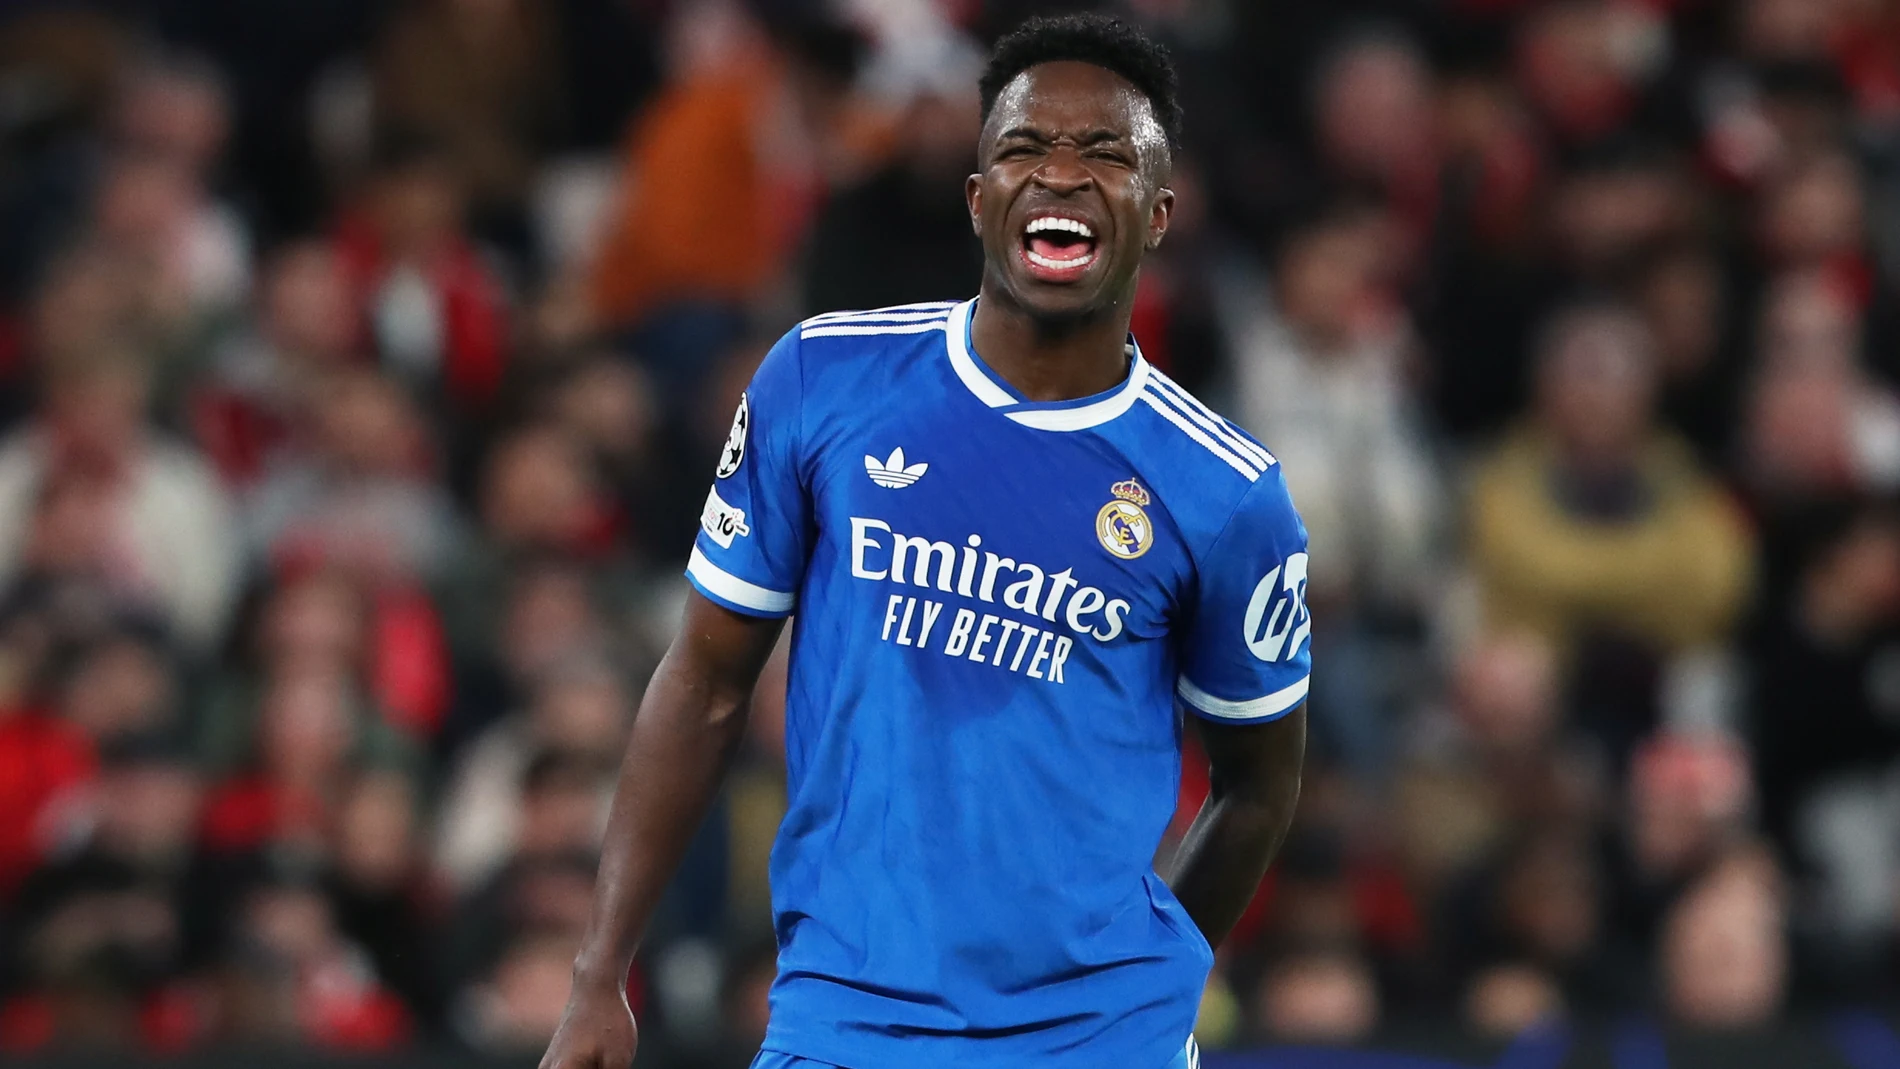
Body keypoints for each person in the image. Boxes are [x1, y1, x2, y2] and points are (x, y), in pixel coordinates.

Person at [540, 15, 1309, 1069]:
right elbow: (707, 682)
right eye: (1025, 149)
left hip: (1096, 1042)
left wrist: (1155, 986)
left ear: (1160, 212)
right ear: (978, 195)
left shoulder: (1224, 492)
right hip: (846, 1017)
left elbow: (1259, 777)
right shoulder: (823, 381)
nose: (1062, 176)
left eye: (1105, 156)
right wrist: (598, 973)